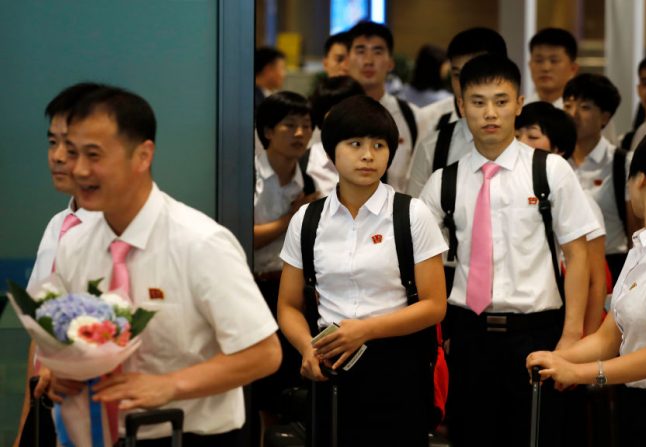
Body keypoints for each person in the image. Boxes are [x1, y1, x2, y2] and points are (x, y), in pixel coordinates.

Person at [47, 85, 282, 445]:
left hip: (188, 435)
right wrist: (58, 370)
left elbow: (264, 353)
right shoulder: (74, 241)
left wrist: (169, 386)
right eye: (73, 153)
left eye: (94, 155)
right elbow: (62, 336)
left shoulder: (200, 243)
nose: (78, 169)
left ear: (142, 156)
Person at [420, 54, 599, 446]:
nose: (490, 113)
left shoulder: (550, 171)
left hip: (537, 333)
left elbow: (579, 255)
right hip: (468, 337)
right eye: (479, 101)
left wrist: (572, 337)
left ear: (519, 103)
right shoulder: (442, 183)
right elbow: (421, 265)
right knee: (471, 436)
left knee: (538, 436)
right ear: (462, 105)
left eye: (501, 101)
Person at [527, 122, 646, 447]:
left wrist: (580, 373)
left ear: (640, 179)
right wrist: (559, 358)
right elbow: (608, 337)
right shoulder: (643, 247)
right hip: (636, 404)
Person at [277, 95, 447, 446]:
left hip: (399, 363)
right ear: (330, 152)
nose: (368, 155)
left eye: (379, 145)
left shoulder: (411, 214)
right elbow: (289, 305)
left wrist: (364, 330)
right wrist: (307, 349)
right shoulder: (307, 220)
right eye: (355, 144)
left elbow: (434, 305)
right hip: (329, 360)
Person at [16, 82, 104, 447]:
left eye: (71, 145)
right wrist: (26, 426)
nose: (58, 156)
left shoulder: (122, 229)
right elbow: (40, 335)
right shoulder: (58, 224)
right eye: (53, 143)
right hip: (51, 408)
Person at [251, 91, 317, 437]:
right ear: (266, 132)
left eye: (306, 126)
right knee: (260, 384)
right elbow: (239, 236)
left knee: (291, 382)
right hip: (254, 286)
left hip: (292, 289)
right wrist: (288, 220)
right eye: (289, 126)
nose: (299, 134)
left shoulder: (308, 180)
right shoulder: (250, 176)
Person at [515, 101, 607, 336]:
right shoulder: (515, 191)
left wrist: (584, 340)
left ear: (559, 150)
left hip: (564, 321)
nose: (521, 143)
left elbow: (597, 282)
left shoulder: (583, 201)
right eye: (517, 135)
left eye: (532, 136)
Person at [406, 27, 508, 197]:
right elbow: (415, 210)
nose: (463, 84)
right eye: (457, 74)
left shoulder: (529, 132)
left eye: (474, 73)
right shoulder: (432, 131)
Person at [563, 73, 641, 278]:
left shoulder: (622, 162)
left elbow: (636, 229)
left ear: (605, 117)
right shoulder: (555, 162)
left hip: (612, 266)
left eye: (585, 107)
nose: (573, 114)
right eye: (568, 105)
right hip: (564, 267)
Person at [345, 20, 425, 193]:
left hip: (399, 216)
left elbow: (418, 180)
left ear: (391, 63)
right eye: (360, 51)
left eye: (378, 51)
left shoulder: (413, 117)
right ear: (346, 60)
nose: (368, 60)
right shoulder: (332, 116)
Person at [305, 75, 366, 197]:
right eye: (334, 109)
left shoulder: (375, 157)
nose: (343, 116)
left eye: (349, 108)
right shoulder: (304, 163)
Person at [527, 28, 579, 108]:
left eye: (554, 61)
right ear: (530, 65)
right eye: (539, 60)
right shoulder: (519, 110)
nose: (546, 68)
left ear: (573, 69)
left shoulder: (578, 113)